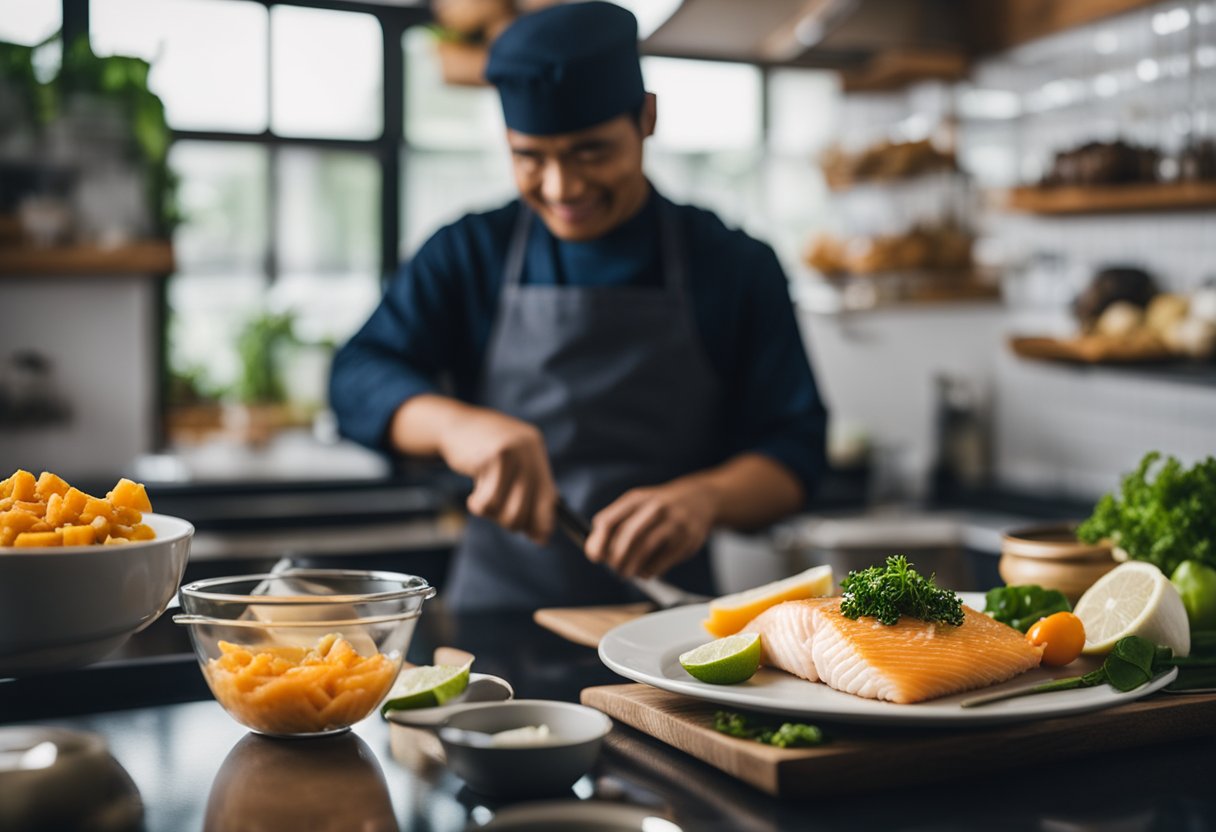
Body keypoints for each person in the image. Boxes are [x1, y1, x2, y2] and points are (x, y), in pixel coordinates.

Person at [330, 1, 827, 612]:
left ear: (646, 117)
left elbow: (796, 454)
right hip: (498, 621)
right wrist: (456, 427)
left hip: (673, 629)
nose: (563, 188)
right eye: (530, 157)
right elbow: (356, 376)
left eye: (591, 151)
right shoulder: (467, 251)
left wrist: (707, 498)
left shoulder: (733, 264)